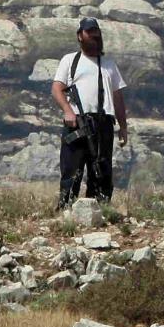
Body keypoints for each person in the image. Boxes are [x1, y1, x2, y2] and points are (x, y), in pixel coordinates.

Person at [51, 17, 128, 209]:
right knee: (71, 171)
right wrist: (68, 112)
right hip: (77, 123)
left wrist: (123, 127)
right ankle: (66, 211)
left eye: (96, 32)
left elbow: (118, 98)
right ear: (80, 35)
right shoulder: (70, 60)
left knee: (101, 171)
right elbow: (57, 88)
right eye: (89, 32)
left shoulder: (109, 64)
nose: (93, 35)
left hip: (103, 124)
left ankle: (99, 211)